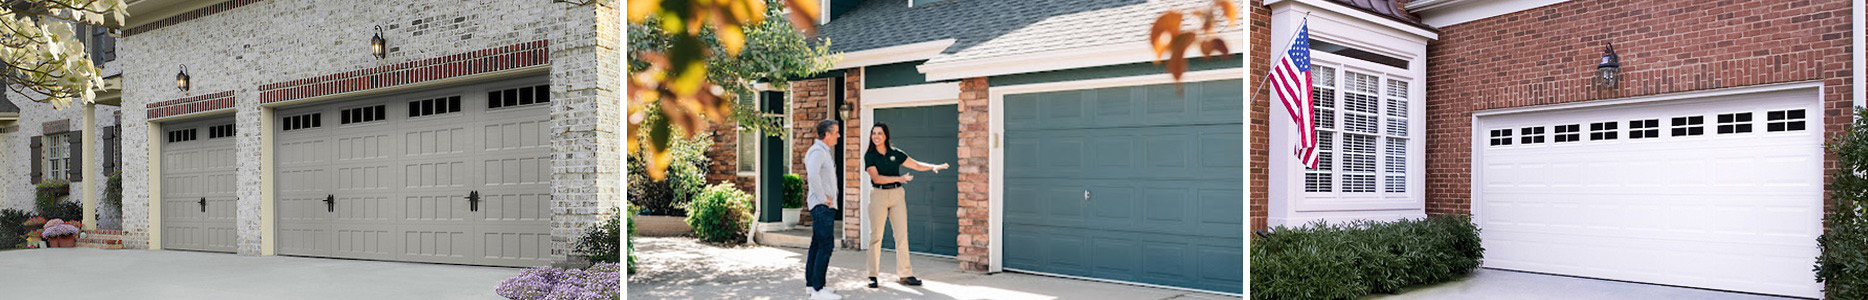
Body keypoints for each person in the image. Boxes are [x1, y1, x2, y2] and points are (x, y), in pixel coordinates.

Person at [863, 122, 949, 289]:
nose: (876, 136)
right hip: (878, 195)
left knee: (902, 235)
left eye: (879, 133)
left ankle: (905, 275)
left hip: (897, 195)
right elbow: (877, 178)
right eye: (874, 133)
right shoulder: (870, 156)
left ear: (885, 136)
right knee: (876, 236)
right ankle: (872, 275)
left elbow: (916, 165)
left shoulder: (896, 153)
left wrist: (932, 167)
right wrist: (899, 178)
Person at [803, 119, 843, 300]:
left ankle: (813, 286)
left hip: (823, 206)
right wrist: (822, 198)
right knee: (826, 245)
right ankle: (818, 290)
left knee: (817, 245)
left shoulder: (822, 151)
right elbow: (812, 174)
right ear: (827, 134)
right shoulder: (818, 151)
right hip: (821, 206)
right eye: (836, 132)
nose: (838, 136)